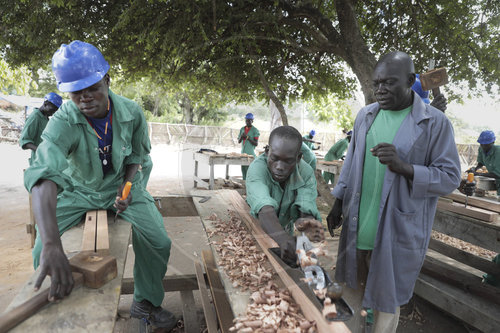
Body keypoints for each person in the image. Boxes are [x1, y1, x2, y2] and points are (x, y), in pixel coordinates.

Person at [24, 41, 176, 330]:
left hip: (119, 186)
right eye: (76, 91)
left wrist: (128, 186)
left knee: (158, 241)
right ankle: (56, 304)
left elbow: (137, 155)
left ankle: (145, 303)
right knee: (42, 249)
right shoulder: (63, 121)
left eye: (92, 87)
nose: (85, 97)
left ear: (107, 79)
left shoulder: (132, 112)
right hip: (76, 190)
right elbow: (43, 175)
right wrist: (53, 245)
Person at [327, 51, 461, 333]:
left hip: (397, 231)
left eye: (389, 83)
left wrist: (405, 167)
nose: (380, 90)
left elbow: (450, 178)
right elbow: (351, 162)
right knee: (350, 298)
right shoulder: (366, 116)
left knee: (386, 306)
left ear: (410, 80)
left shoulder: (435, 123)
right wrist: (338, 201)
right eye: (376, 83)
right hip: (358, 226)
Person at [246, 126, 324, 264]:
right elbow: (265, 209)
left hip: (285, 232)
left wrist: (308, 224)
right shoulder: (257, 169)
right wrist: (283, 239)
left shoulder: (305, 173)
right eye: (274, 158)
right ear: (267, 151)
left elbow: (305, 207)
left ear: (298, 158)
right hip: (256, 227)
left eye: (288, 161)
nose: (279, 166)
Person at [19, 92, 62, 165]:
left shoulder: (46, 118)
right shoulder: (35, 117)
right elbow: (24, 140)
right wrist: (42, 151)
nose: (53, 113)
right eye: (52, 109)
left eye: (55, 111)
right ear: (45, 104)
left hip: (47, 160)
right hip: (38, 161)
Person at [469, 130, 500, 195]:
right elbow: (480, 163)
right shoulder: (481, 149)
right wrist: (474, 169)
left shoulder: (498, 152)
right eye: (481, 144)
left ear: (493, 142)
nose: (483, 146)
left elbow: (497, 174)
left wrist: (478, 174)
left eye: (486, 144)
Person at [238, 112, 260, 180]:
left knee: (250, 170)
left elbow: (256, 143)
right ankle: (244, 183)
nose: (248, 122)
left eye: (249, 120)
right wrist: (241, 136)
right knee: (243, 169)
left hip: (250, 153)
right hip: (243, 153)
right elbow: (239, 141)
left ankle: (250, 183)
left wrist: (247, 137)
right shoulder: (242, 129)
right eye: (247, 120)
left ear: (252, 121)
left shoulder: (255, 130)